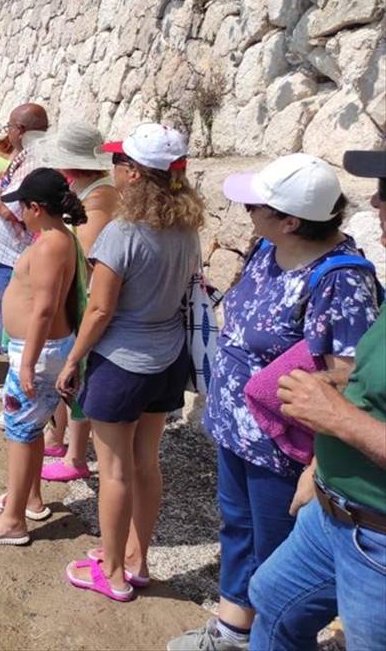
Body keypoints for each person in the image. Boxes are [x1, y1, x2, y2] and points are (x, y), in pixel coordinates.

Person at [168, 153, 381, 650]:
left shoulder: (341, 279)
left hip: (281, 445)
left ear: (290, 220)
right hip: (235, 428)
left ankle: (266, 636)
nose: (247, 214)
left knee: (274, 549)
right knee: (237, 528)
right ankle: (231, 630)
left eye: (253, 208)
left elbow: (350, 378)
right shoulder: (268, 248)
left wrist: (314, 465)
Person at [55, 123, 204, 602]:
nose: (113, 169)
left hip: (121, 361)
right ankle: (137, 559)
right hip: (167, 358)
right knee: (146, 462)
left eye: (120, 163)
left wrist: (73, 360)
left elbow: (100, 310)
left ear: (136, 175)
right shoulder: (185, 230)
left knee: (115, 469)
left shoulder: (122, 233)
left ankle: (113, 572)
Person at [245, 147, 386, 651]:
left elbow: (351, 403)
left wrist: (340, 421)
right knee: (272, 600)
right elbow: (362, 384)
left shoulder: (345, 277)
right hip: (335, 512)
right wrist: (320, 467)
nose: (374, 202)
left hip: (377, 537)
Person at [0, 169, 87, 545]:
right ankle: (28, 499)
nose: (18, 212)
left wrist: (28, 363)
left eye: (21, 206)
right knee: (29, 429)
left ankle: (12, 520)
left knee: (18, 432)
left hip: (39, 350)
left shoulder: (50, 245)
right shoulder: (57, 238)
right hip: (40, 348)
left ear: (36, 207)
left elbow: (45, 309)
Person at [32, 122, 119, 478]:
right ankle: (60, 437)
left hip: (87, 299)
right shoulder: (94, 190)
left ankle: (75, 456)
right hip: (84, 296)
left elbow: (87, 255)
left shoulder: (99, 198)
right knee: (71, 373)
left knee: (77, 373)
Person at [0, 103, 49, 354]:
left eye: (9, 127)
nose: (7, 133)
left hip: (7, 255)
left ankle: (13, 377)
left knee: (8, 318)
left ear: (20, 130)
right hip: (0, 252)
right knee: (0, 313)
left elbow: (9, 211)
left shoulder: (33, 163)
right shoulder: (26, 157)